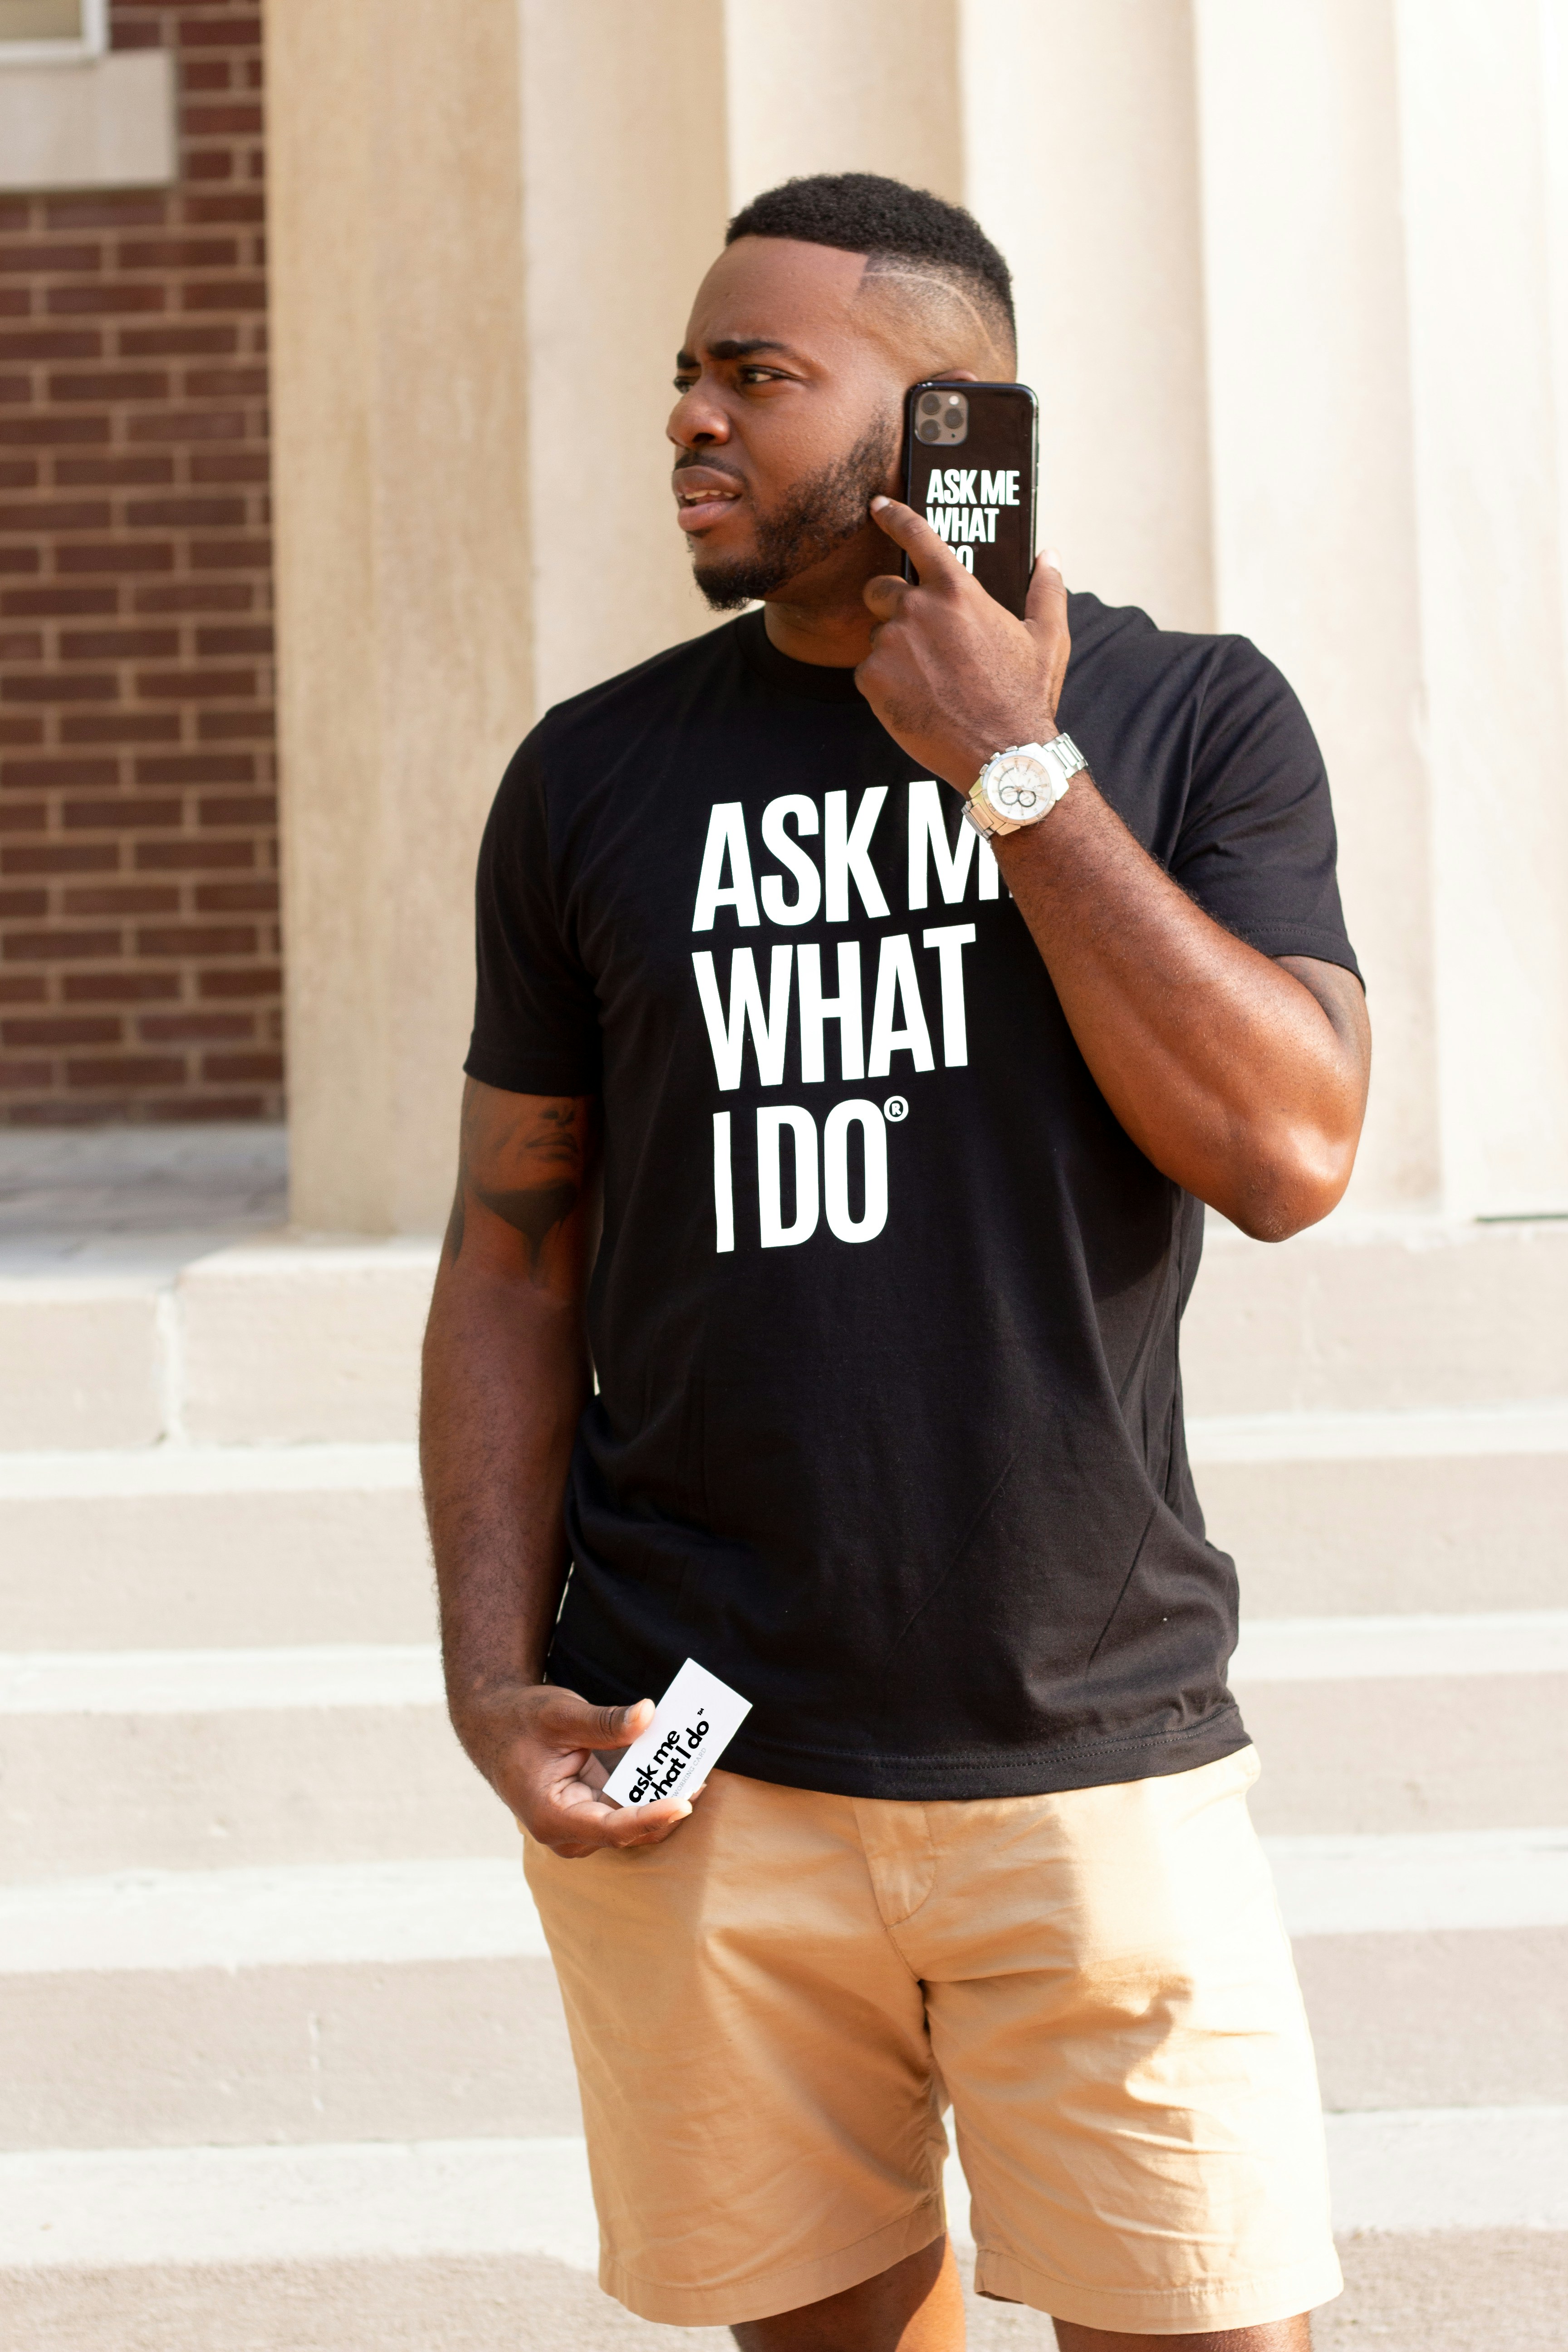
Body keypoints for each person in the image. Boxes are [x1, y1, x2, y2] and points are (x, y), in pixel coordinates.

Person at [420, 172, 1371, 2352]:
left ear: (957, 418)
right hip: (702, 1750)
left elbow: (1290, 1146)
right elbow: (510, 1253)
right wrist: (493, 1671)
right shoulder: (592, 779)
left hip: (1090, 1743)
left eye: (757, 374)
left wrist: (1009, 770)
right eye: (683, 373)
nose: (692, 419)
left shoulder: (1189, 720)